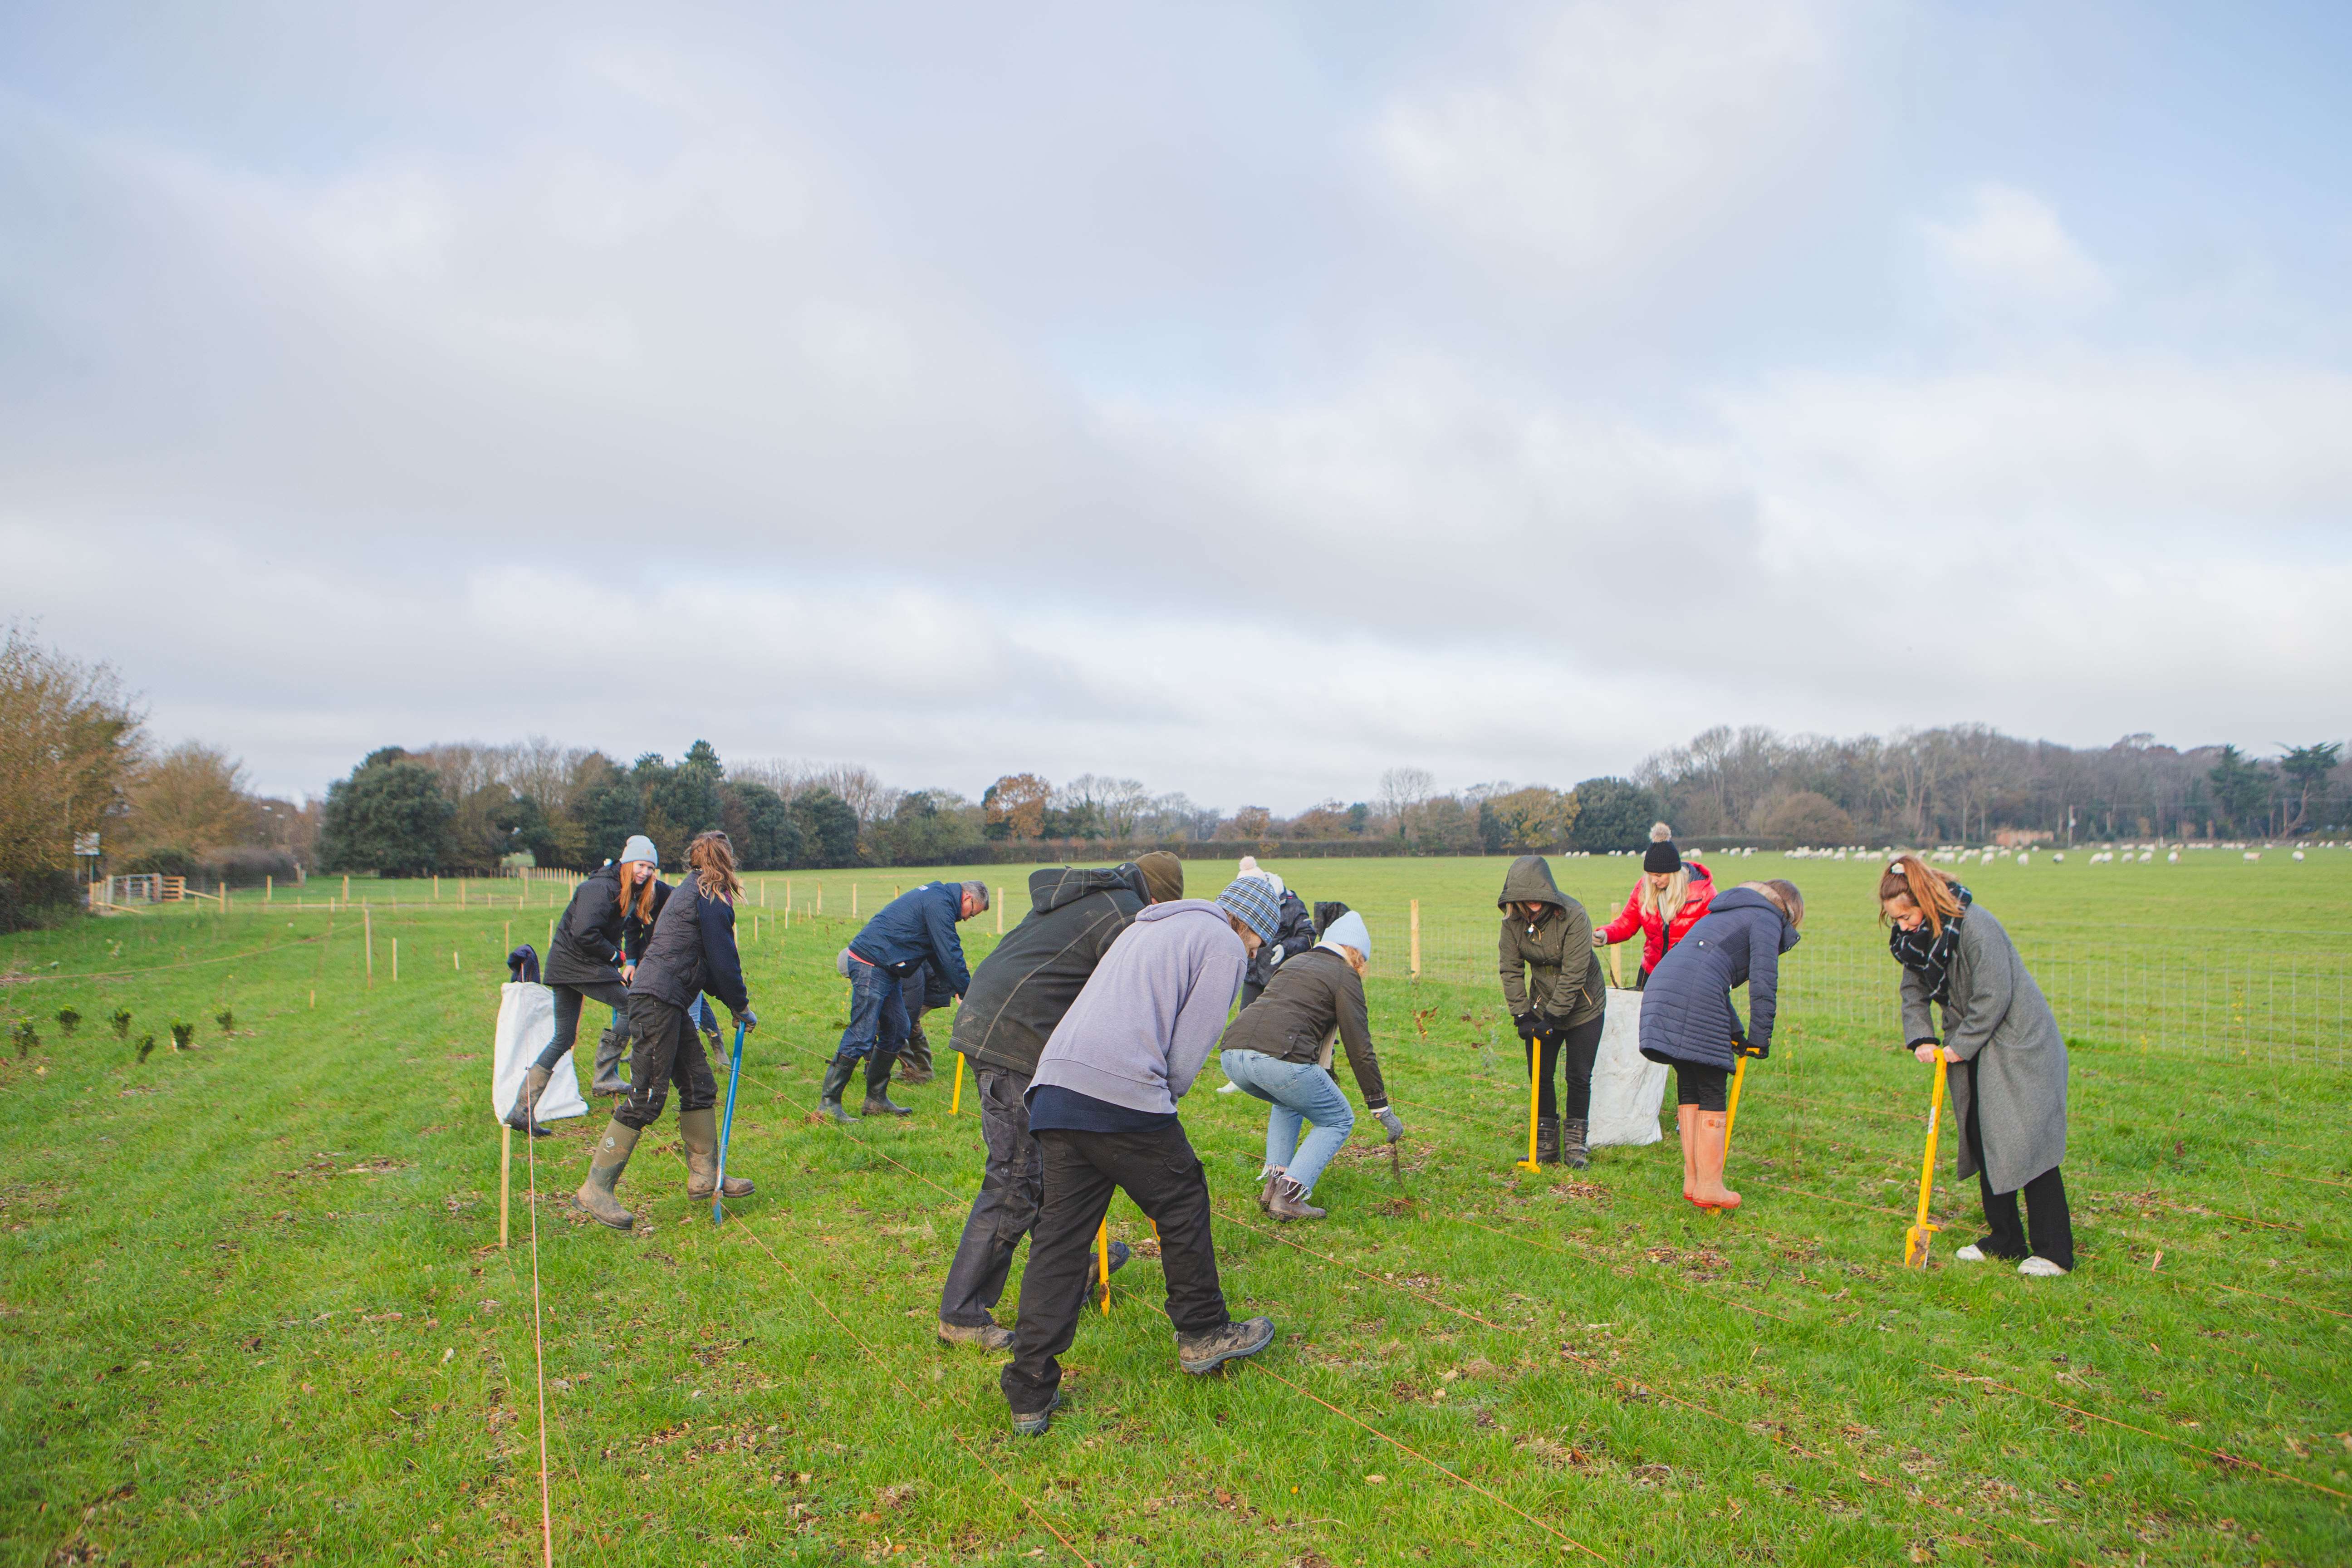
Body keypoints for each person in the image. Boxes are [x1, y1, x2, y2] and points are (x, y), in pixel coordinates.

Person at [1001, 877, 1284, 1436]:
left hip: (1056, 1089)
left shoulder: (1147, 927)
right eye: (1258, 945)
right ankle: (1203, 1331)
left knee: (1059, 1240)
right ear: (1249, 927)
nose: (1252, 954)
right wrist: (1166, 1095)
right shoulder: (1222, 943)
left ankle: (1029, 1388)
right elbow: (1189, 1048)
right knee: (1181, 1196)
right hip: (1120, 1089)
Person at [936, 853, 1185, 1350]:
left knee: (1052, 1167)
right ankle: (962, 1314)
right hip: (1015, 1040)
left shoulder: (1094, 898)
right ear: (1156, 898)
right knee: (1015, 1178)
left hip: (1001, 1024)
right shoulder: (1122, 915)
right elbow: (1127, 1001)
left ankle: (1073, 1264)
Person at [1882, 855, 2073, 1276]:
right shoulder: (1916, 939)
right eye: (1895, 919)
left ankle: (2055, 1252)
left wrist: (1960, 1045)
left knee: (2026, 1140)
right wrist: (1922, 1037)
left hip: (2020, 1043)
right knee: (1981, 1132)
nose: (1903, 926)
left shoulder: (1975, 926)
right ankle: (2004, 1240)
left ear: (1927, 900)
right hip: (1974, 1043)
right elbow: (1912, 990)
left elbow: (1994, 995)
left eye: (1907, 915)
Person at [572, 831, 757, 1232]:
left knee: (699, 1084)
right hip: (657, 1000)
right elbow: (723, 961)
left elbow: (703, 963)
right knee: (648, 1097)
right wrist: (740, 1005)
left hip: (668, 998)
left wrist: (731, 1000)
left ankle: (706, 1176)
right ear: (727, 861)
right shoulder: (711, 894)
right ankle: (595, 1188)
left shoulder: (694, 890)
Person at [1217, 910, 1401, 1220]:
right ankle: (1289, 1197)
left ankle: (1273, 1185)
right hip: (1276, 1060)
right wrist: (1380, 1107)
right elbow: (1360, 1047)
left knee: (1288, 1103)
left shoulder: (1296, 962)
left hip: (1233, 1055)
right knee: (1338, 1119)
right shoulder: (1344, 975)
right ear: (1355, 954)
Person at [1638, 879, 1804, 1211]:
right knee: (1712, 1082)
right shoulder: (1767, 918)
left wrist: (1736, 1033)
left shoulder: (1726, 911)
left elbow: (1708, 971)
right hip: (1694, 989)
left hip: (1664, 982)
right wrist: (1760, 1038)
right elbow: (1763, 979)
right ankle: (1711, 1186)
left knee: (1690, 1079)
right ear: (1789, 912)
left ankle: (1694, 1179)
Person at [506, 836, 668, 1131]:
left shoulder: (622, 888)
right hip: (577, 966)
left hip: (574, 965)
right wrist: (615, 956)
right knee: (631, 1005)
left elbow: (608, 931)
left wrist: (615, 959)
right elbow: (584, 933)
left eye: (650, 867)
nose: (644, 872)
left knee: (564, 1038)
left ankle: (521, 1111)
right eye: (641, 865)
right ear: (628, 861)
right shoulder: (601, 887)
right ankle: (605, 1074)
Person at [820, 880, 988, 1122]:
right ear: (967, 899)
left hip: (887, 966)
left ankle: (876, 1100)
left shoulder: (938, 900)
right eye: (971, 914)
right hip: (871, 962)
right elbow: (950, 951)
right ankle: (828, 1104)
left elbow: (937, 954)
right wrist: (969, 991)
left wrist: (957, 990)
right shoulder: (939, 903)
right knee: (862, 1034)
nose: (966, 920)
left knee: (899, 1029)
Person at [1495, 856, 1609, 1168]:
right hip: (1541, 1004)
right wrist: (1522, 1015)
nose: (1531, 901)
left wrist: (1553, 1019)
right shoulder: (1513, 923)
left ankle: (1575, 1147)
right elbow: (1510, 969)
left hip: (1585, 1005)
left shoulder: (1574, 916)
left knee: (1578, 1075)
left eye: (1537, 893)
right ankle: (1544, 1146)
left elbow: (1575, 973)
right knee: (1540, 1076)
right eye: (1523, 894)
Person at [1595, 823, 1715, 990]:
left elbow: (1712, 939)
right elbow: (1627, 923)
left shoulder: (1704, 894)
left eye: (1659, 875)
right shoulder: (1643, 889)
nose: (1653, 880)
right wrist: (1605, 934)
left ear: (1674, 873)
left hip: (1687, 976)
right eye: (1650, 875)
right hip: (1650, 972)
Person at [1235, 856, 1316, 1009]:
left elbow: (1308, 935)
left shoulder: (1291, 905)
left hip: (1282, 979)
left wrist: (1286, 947)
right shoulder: (1245, 905)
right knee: (1245, 1023)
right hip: (1252, 977)